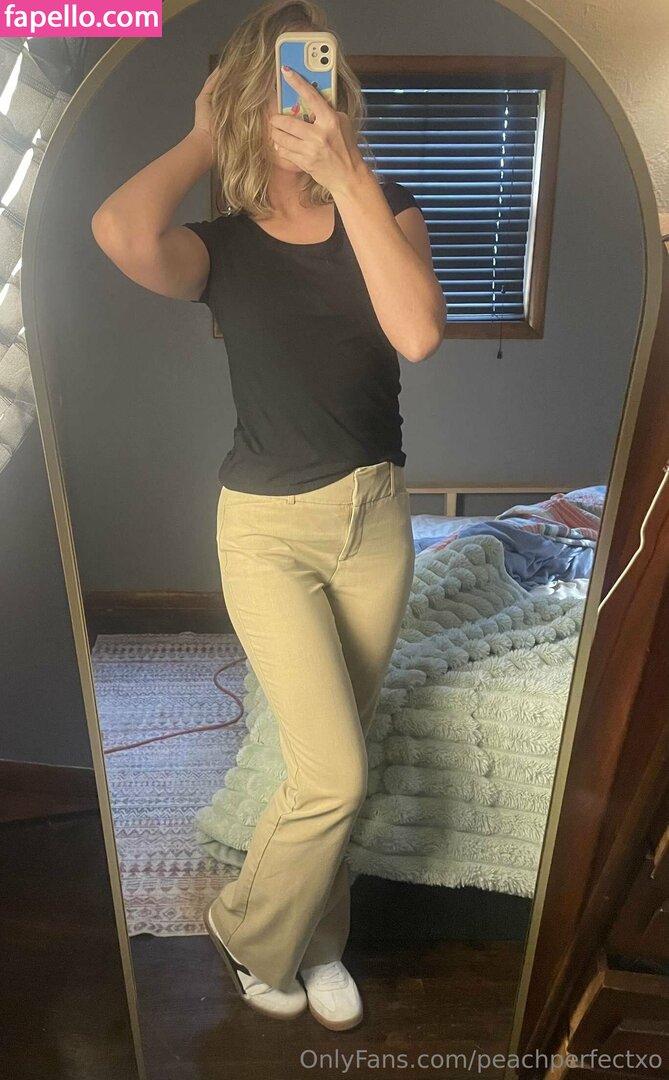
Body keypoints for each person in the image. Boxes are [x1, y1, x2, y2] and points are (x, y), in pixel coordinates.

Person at [91, 0, 446, 1032]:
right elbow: (120, 231)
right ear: (246, 103)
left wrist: (348, 176)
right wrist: (204, 135)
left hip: (374, 522)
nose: (299, 103)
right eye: (276, 88)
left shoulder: (389, 205)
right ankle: (250, 931)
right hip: (266, 533)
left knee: (336, 756)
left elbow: (418, 333)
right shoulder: (226, 247)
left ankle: (315, 938)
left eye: (315, 82)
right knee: (334, 772)